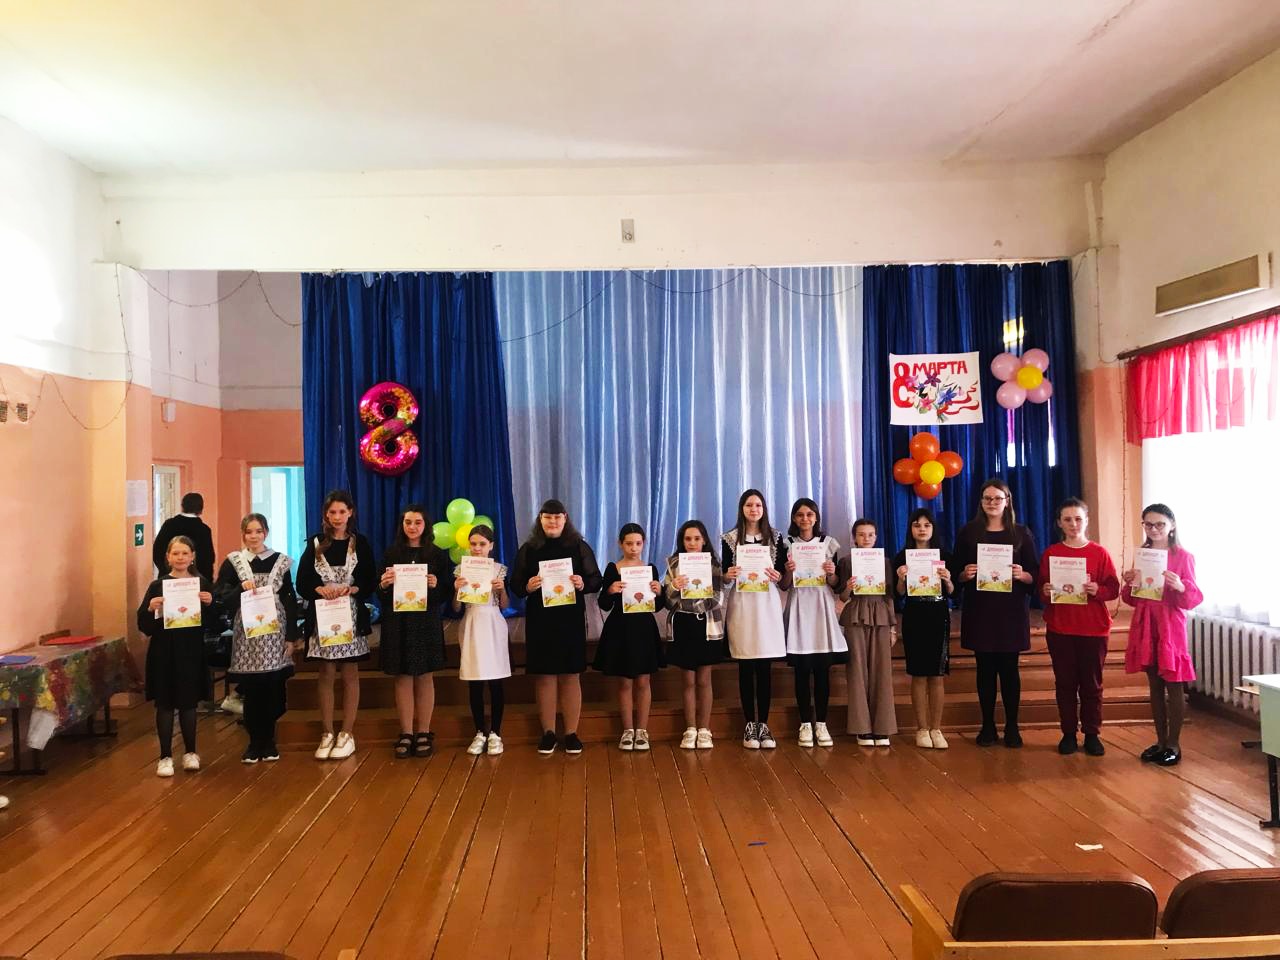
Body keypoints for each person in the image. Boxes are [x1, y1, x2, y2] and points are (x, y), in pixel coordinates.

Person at [511, 499, 602, 755]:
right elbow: (515, 584)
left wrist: (582, 583)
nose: (552, 521)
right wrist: (527, 586)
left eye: (557, 517)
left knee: (571, 675)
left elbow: (596, 580)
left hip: (570, 619)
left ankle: (571, 733)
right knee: (545, 676)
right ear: (540, 519)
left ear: (565, 519)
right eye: (547, 517)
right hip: (541, 621)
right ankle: (548, 733)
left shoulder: (578, 546)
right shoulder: (529, 549)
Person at [953, 478, 1039, 748]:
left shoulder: (1021, 534)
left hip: (1010, 612)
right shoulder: (968, 532)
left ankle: (1012, 726)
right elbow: (954, 574)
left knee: (1010, 670)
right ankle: (987, 725)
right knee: (985, 670)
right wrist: (964, 574)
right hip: (980, 611)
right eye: (987, 498)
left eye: (997, 498)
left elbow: (1035, 575)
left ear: (1007, 501)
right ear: (981, 502)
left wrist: (1023, 575)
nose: (992, 503)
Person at [296, 490, 376, 761]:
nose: (338, 517)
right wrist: (318, 589)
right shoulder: (315, 543)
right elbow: (302, 581)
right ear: (326, 515)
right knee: (327, 672)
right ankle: (327, 732)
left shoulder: (359, 543)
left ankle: (347, 732)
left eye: (342, 512)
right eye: (333, 512)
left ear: (350, 513)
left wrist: (354, 588)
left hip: (350, 615)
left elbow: (370, 578)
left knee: (350, 673)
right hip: (324, 616)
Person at [1122, 503, 1203, 766]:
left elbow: (1192, 599)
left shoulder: (1184, 556)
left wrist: (1180, 586)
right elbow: (1132, 599)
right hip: (1146, 624)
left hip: (1170, 625)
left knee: (1174, 683)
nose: (1154, 529)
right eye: (1148, 524)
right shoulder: (1143, 554)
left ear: (1172, 525)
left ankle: (1174, 744)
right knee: (1154, 684)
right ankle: (1160, 741)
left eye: (1160, 524)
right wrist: (1129, 583)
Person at [215, 513, 300, 763]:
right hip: (248, 633)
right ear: (243, 534)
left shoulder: (280, 561)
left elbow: (289, 598)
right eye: (249, 532)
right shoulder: (234, 562)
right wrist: (238, 590)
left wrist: (291, 635)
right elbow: (221, 596)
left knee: (273, 686)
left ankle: (270, 740)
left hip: (275, 632)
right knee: (252, 688)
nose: (254, 536)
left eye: (258, 531)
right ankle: (254, 742)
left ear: (266, 533)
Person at [1038, 497, 1120, 757]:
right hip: (1061, 628)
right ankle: (1068, 733)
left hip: (1093, 629)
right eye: (1068, 520)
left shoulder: (1099, 553)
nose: (1073, 524)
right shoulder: (1051, 553)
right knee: (1065, 683)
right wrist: (1046, 590)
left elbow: (1113, 588)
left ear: (1086, 521)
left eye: (1078, 519)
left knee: (1092, 684)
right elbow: (1041, 591)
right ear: (1059, 523)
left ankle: (1092, 733)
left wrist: (1098, 590)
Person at [137, 535, 217, 777]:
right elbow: (144, 626)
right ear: (168, 557)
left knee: (188, 703)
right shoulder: (157, 586)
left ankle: (191, 752)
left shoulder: (201, 583)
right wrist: (151, 609)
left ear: (192, 557)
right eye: (176, 553)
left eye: (185, 553)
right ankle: (165, 756)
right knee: (165, 704)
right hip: (164, 651)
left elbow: (213, 624)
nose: (180, 558)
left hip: (191, 651)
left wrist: (210, 604)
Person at [377, 504, 451, 759]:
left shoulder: (437, 555)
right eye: (408, 522)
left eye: (417, 522)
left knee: (425, 676)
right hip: (398, 622)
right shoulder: (391, 553)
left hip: (425, 621)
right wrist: (384, 585)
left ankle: (424, 731)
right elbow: (381, 594)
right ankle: (406, 732)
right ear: (402, 525)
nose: (412, 527)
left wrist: (436, 585)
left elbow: (446, 595)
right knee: (402, 677)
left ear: (425, 525)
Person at [722, 489, 788, 749]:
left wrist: (778, 576)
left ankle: (765, 724)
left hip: (766, 604)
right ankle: (750, 724)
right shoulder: (729, 538)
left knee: (764, 666)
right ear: (742, 508)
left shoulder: (776, 537)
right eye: (749, 505)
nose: (753, 509)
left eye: (758, 505)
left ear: (764, 509)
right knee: (746, 664)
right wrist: (728, 575)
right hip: (742, 604)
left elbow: (781, 575)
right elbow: (725, 577)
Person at [595, 523, 666, 751]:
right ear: (620, 544)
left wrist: (659, 592)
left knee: (643, 680)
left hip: (644, 628)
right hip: (620, 629)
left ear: (643, 544)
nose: (634, 548)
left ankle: (642, 730)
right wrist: (610, 590)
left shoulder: (650, 569)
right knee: (625, 682)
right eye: (629, 543)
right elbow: (604, 604)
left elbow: (657, 606)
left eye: (638, 543)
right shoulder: (612, 569)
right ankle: (627, 730)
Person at [783, 498, 845, 748]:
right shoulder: (787, 544)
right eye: (800, 515)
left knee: (821, 669)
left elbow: (835, 585)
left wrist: (831, 573)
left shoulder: (828, 544)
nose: (805, 519)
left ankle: (821, 723)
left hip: (821, 609)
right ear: (794, 518)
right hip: (799, 607)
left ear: (816, 517)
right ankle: (805, 724)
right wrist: (789, 570)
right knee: (801, 669)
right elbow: (784, 585)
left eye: (809, 514)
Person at [892, 508, 954, 749]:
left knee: (937, 675)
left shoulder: (944, 556)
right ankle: (922, 729)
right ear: (910, 529)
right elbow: (899, 594)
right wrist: (900, 578)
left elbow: (952, 592)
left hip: (938, 615)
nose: (922, 529)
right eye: (917, 525)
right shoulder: (902, 557)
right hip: (914, 616)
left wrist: (947, 579)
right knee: (918, 675)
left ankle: (936, 729)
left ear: (933, 529)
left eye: (927, 525)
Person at [663, 520, 727, 750]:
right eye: (687, 539)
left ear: (704, 540)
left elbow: (718, 598)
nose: (692, 543)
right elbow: (667, 601)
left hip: (707, 627)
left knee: (704, 680)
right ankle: (690, 728)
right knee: (688, 681)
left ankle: (704, 729)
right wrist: (674, 587)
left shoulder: (714, 564)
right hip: (683, 626)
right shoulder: (673, 564)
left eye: (697, 539)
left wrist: (694, 603)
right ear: (682, 541)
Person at [837, 518, 898, 747]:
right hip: (855, 614)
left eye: (870, 534)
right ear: (854, 537)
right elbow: (842, 596)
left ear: (876, 537)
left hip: (880, 615)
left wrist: (893, 627)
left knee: (882, 671)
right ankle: (861, 727)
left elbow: (889, 595)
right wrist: (848, 588)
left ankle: (882, 727)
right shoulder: (846, 561)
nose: (866, 538)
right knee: (857, 671)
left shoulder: (885, 562)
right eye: (861, 534)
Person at [452, 525, 510, 756]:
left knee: (495, 681)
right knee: (474, 681)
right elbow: (456, 608)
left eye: (482, 544)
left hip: (493, 624)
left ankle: (495, 732)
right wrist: (456, 590)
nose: (477, 548)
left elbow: (505, 605)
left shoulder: (499, 570)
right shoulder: (461, 570)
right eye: (473, 544)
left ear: (491, 546)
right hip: (471, 623)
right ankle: (479, 732)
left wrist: (501, 590)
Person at [153, 492, 216, 580]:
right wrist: (207, 582)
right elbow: (208, 559)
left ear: (182, 506)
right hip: (196, 581)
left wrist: (165, 571)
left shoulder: (169, 525)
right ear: (201, 509)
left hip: (169, 579)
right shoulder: (204, 530)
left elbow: (157, 551)